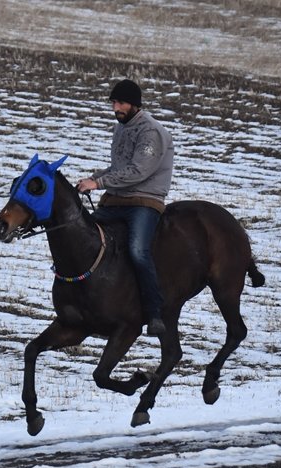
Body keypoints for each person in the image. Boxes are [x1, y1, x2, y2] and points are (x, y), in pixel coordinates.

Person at [75, 79, 174, 337]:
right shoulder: (121, 127)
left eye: (120, 103)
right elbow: (119, 167)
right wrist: (92, 178)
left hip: (144, 201)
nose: (115, 108)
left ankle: (154, 314)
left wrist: (97, 183)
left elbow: (138, 171)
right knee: (84, 237)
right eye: (114, 103)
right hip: (117, 199)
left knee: (137, 251)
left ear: (135, 104)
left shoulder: (150, 132)